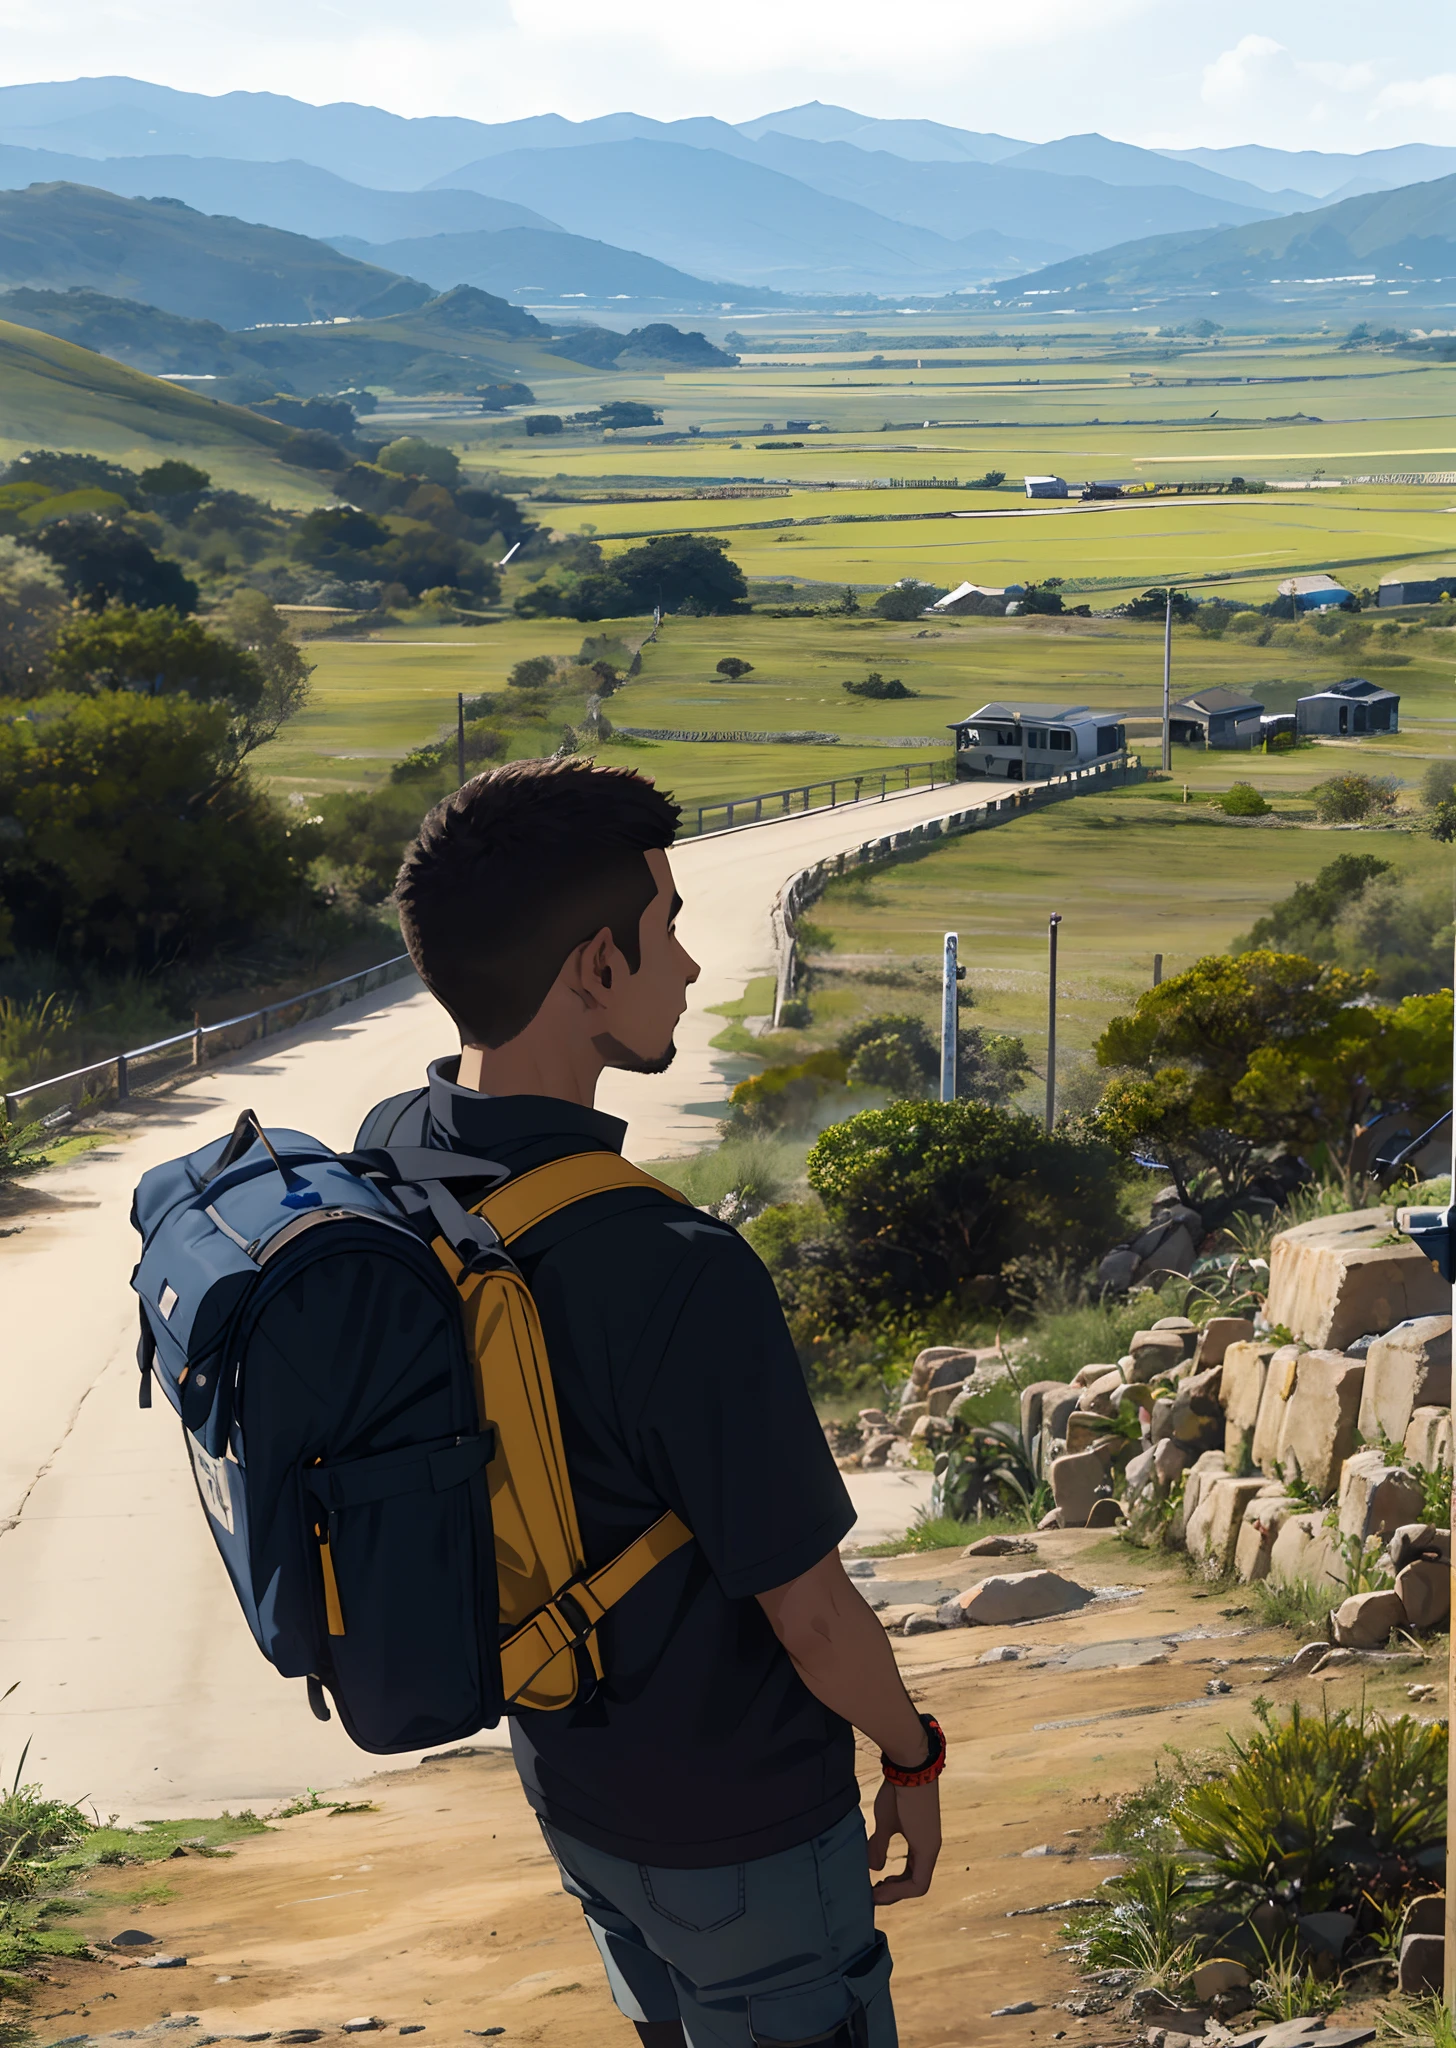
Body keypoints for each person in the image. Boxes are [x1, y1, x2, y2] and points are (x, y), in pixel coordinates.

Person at [356, 757, 943, 2048]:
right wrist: (913, 1755)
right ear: (593, 968)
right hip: (743, 1824)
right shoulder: (677, 1268)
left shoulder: (393, 1152)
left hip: (573, 1779)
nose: (685, 965)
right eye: (667, 927)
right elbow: (813, 1617)